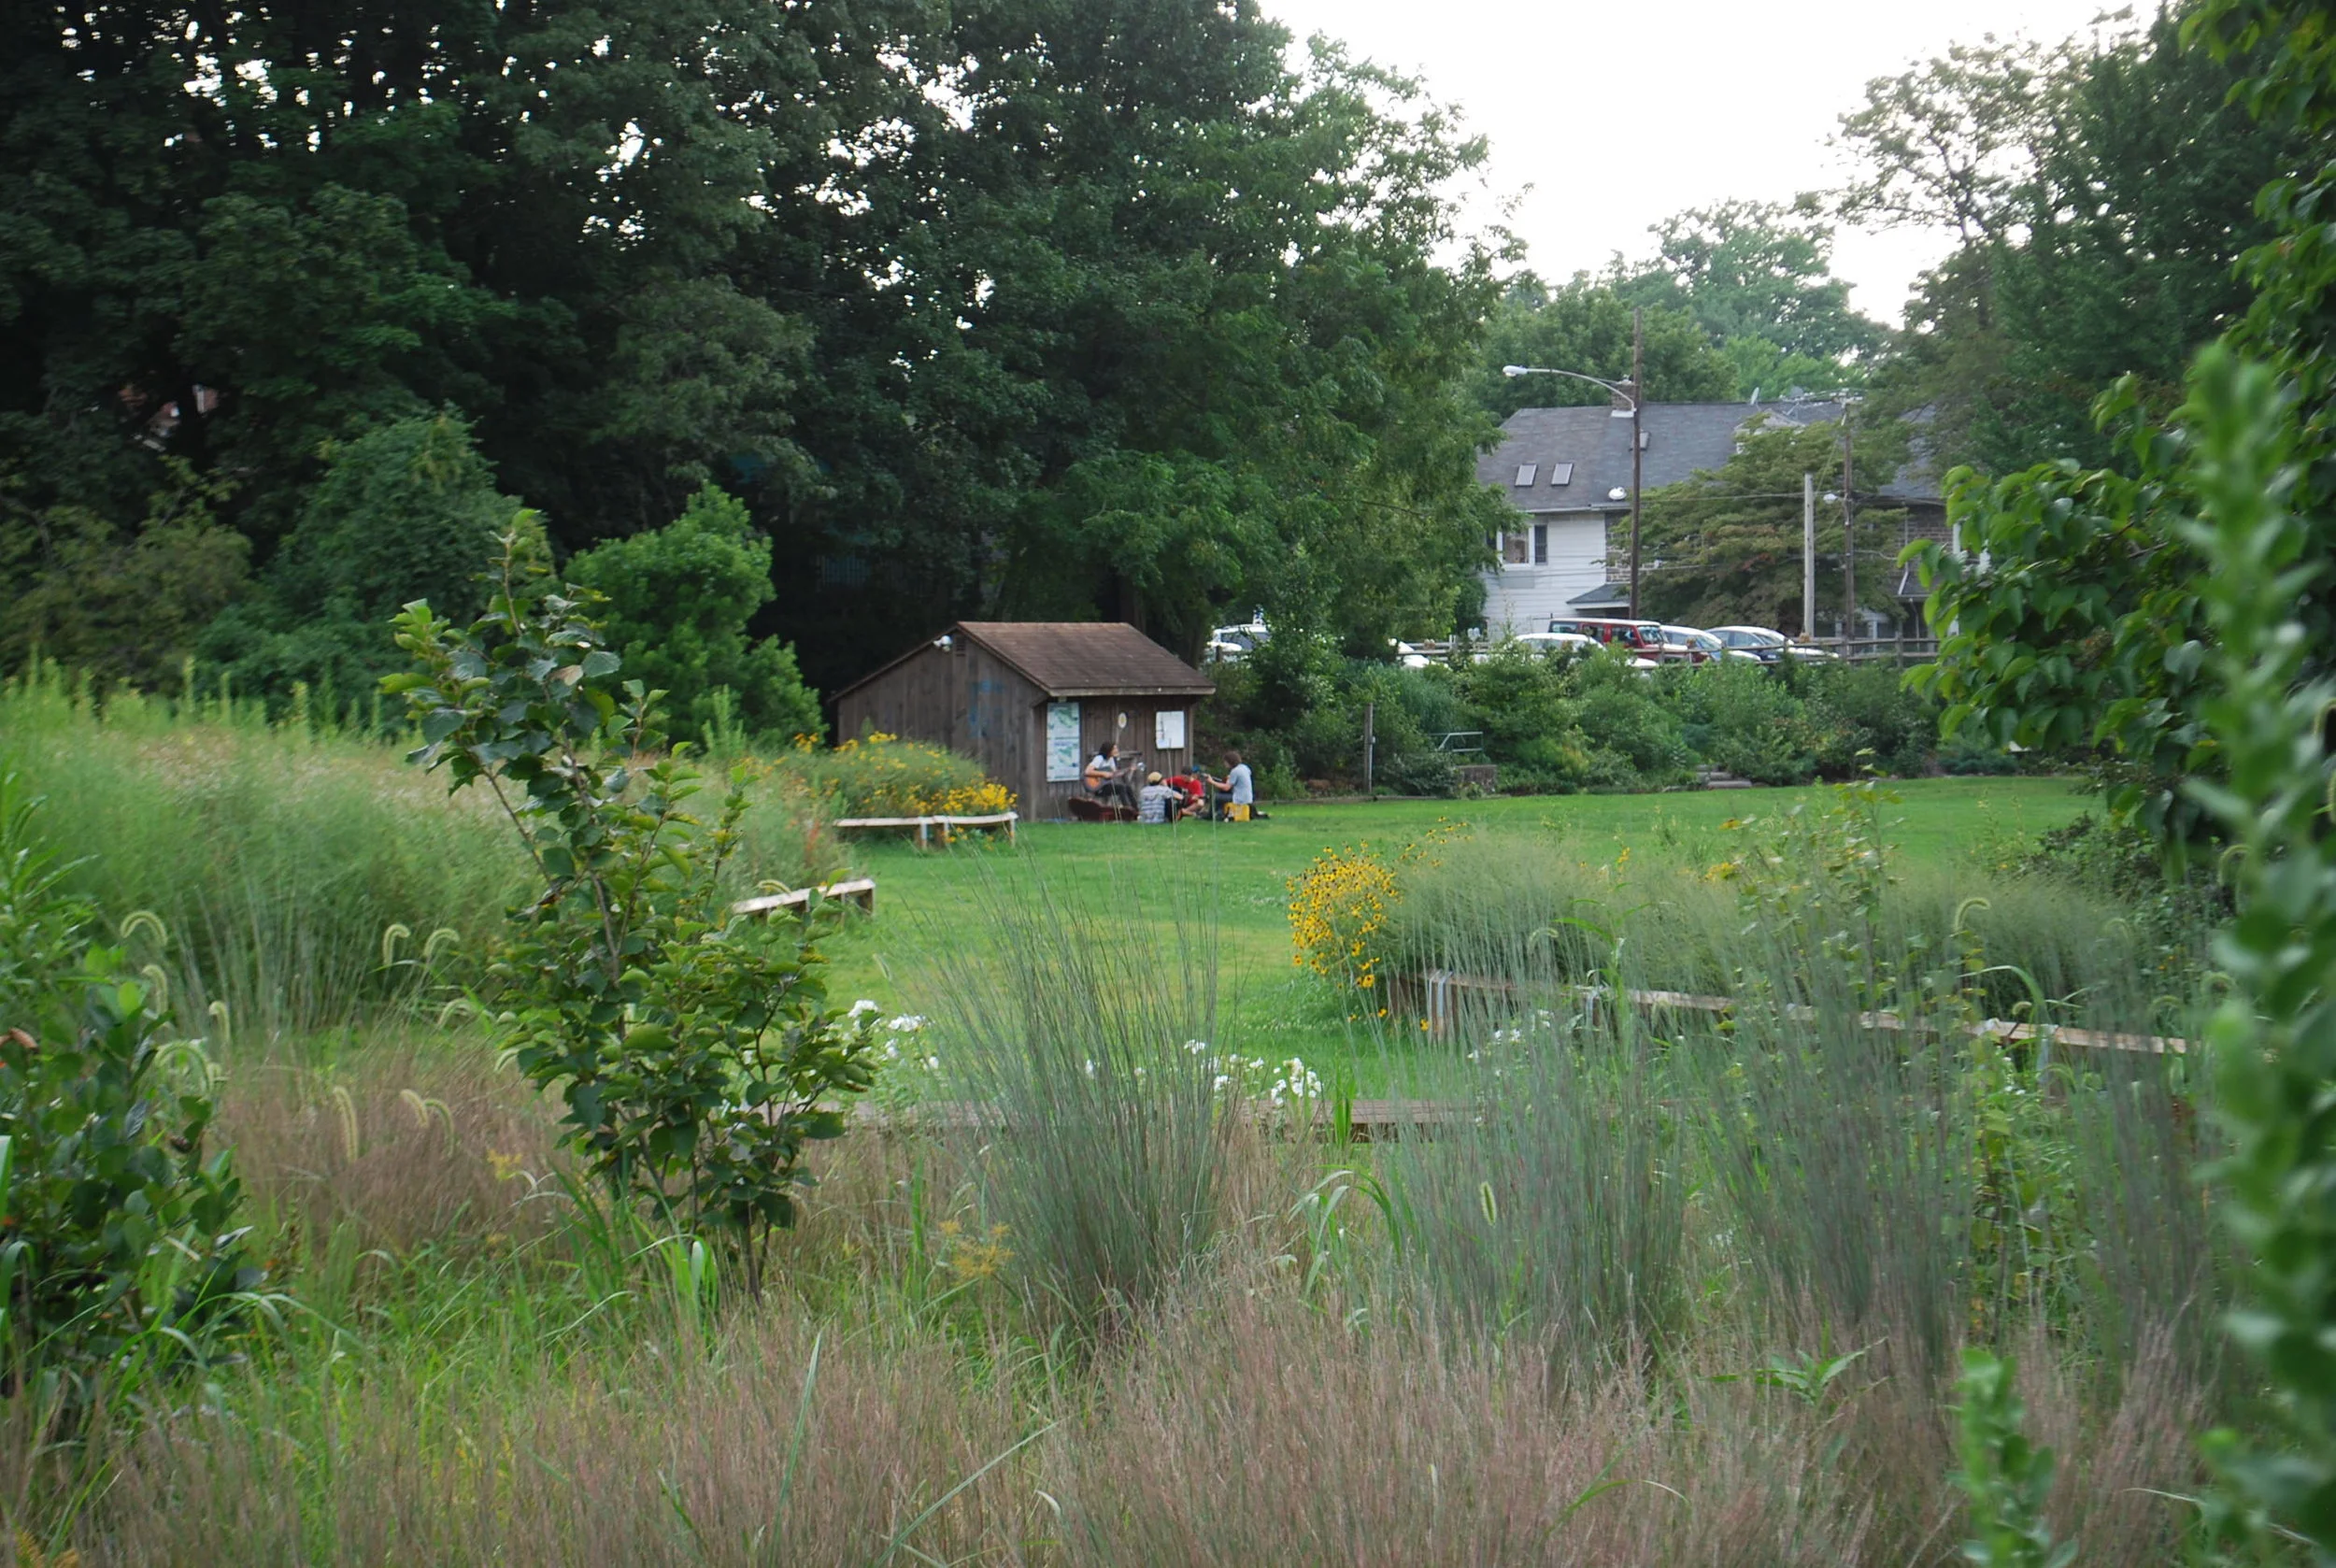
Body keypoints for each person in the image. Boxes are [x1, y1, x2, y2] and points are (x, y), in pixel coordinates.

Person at [1083, 741, 1136, 811]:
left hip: (1106, 785)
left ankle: (1135, 810)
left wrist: (1128, 770)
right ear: (1108, 750)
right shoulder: (1099, 759)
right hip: (1098, 788)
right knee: (1121, 788)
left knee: (1128, 788)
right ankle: (1127, 810)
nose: (1117, 750)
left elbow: (1114, 773)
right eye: (1114, 749)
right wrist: (1103, 774)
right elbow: (1087, 772)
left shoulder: (1111, 759)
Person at [1206, 750, 1258, 820]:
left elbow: (1226, 788)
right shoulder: (1244, 767)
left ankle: (1210, 816)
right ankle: (1220, 813)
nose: (1224, 764)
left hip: (1239, 799)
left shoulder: (1235, 771)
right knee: (1222, 796)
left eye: (1225, 762)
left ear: (1230, 762)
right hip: (1247, 797)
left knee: (1215, 796)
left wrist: (1212, 782)